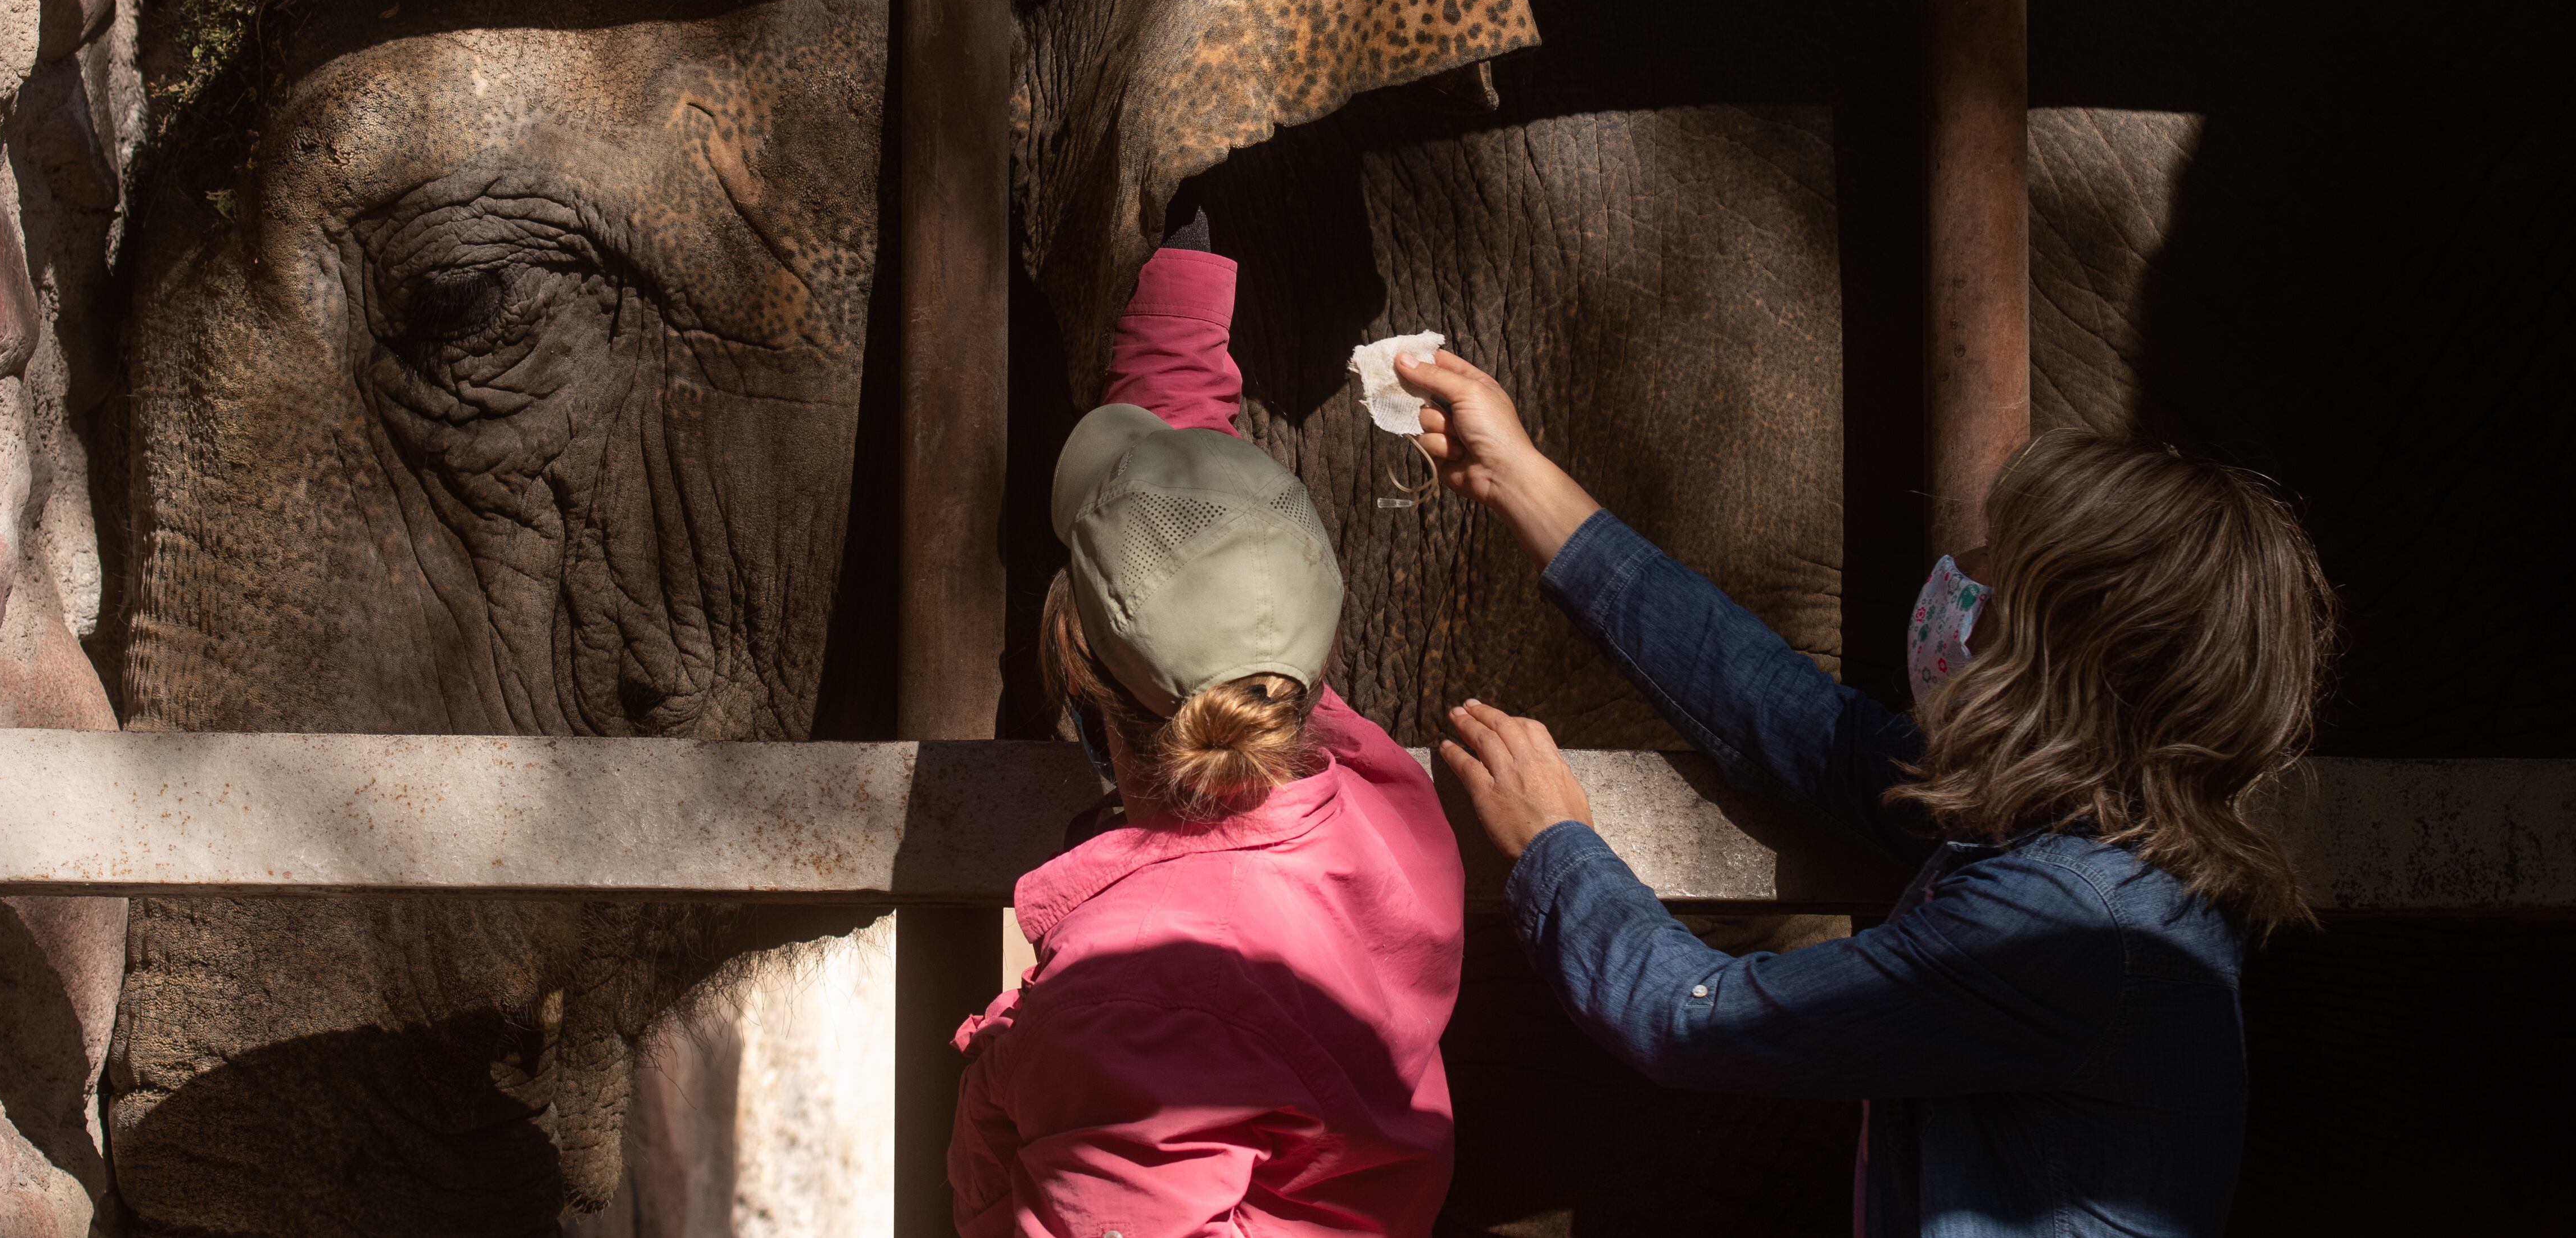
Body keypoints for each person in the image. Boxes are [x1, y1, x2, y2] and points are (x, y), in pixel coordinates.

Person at [1401, 348, 2336, 1238]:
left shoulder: (2065, 921)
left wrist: (1557, 845)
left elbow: (1695, 1014)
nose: (1958, 577)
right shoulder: (2096, 839)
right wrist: (1518, 477)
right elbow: (1810, 728)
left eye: (1996, 575)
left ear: (2055, 668)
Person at [946, 236, 1466, 1238]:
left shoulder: (1136, 990)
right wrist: (1176, 262)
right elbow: (1205, 537)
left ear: (1081, 683)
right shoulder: (1358, 780)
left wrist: (1033, 1040)